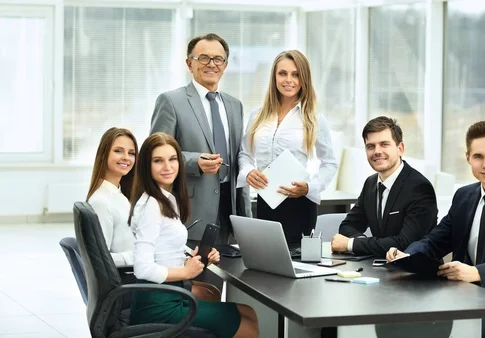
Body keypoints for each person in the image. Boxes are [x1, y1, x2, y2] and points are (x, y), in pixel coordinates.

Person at [387, 121, 485, 338]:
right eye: (478, 157)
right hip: (466, 300)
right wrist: (408, 254)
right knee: (403, 320)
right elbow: (436, 240)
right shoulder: (464, 196)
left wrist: (476, 272)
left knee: (431, 330)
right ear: (468, 158)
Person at [128, 132, 259, 337]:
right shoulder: (152, 206)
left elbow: (163, 252)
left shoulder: (166, 199)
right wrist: (187, 272)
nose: (167, 167)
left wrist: (196, 260)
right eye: (158, 161)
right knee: (247, 324)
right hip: (159, 306)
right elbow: (143, 268)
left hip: (170, 295)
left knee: (248, 312)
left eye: (172, 159)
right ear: (146, 166)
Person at [150, 33, 250, 244]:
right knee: (195, 275)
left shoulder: (235, 105)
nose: (211, 64)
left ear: (225, 64)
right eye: (203, 58)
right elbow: (155, 155)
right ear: (189, 63)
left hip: (230, 211)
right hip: (191, 210)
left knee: (229, 273)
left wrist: (245, 212)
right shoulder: (171, 101)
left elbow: (240, 156)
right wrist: (196, 162)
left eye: (218, 59)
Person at [238, 50, 338, 245]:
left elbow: (330, 163)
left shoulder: (314, 118)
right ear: (274, 77)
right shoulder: (257, 115)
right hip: (266, 200)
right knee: (266, 260)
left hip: (299, 202)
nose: (288, 80)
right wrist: (248, 171)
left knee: (297, 264)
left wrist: (310, 187)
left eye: (296, 74)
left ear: (304, 79)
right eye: (282, 73)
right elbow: (245, 154)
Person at [330, 116, 438, 257]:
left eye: (384, 144)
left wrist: (351, 244)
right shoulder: (371, 183)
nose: (377, 151)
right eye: (371, 146)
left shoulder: (419, 187)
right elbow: (347, 226)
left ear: (400, 148)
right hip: (379, 268)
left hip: (417, 274)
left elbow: (405, 243)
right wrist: (362, 242)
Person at [86, 127, 137, 283]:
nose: (126, 158)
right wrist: (139, 256)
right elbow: (100, 260)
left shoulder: (120, 195)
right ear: (104, 154)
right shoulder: (101, 202)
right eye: (118, 151)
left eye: (131, 153)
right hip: (129, 281)